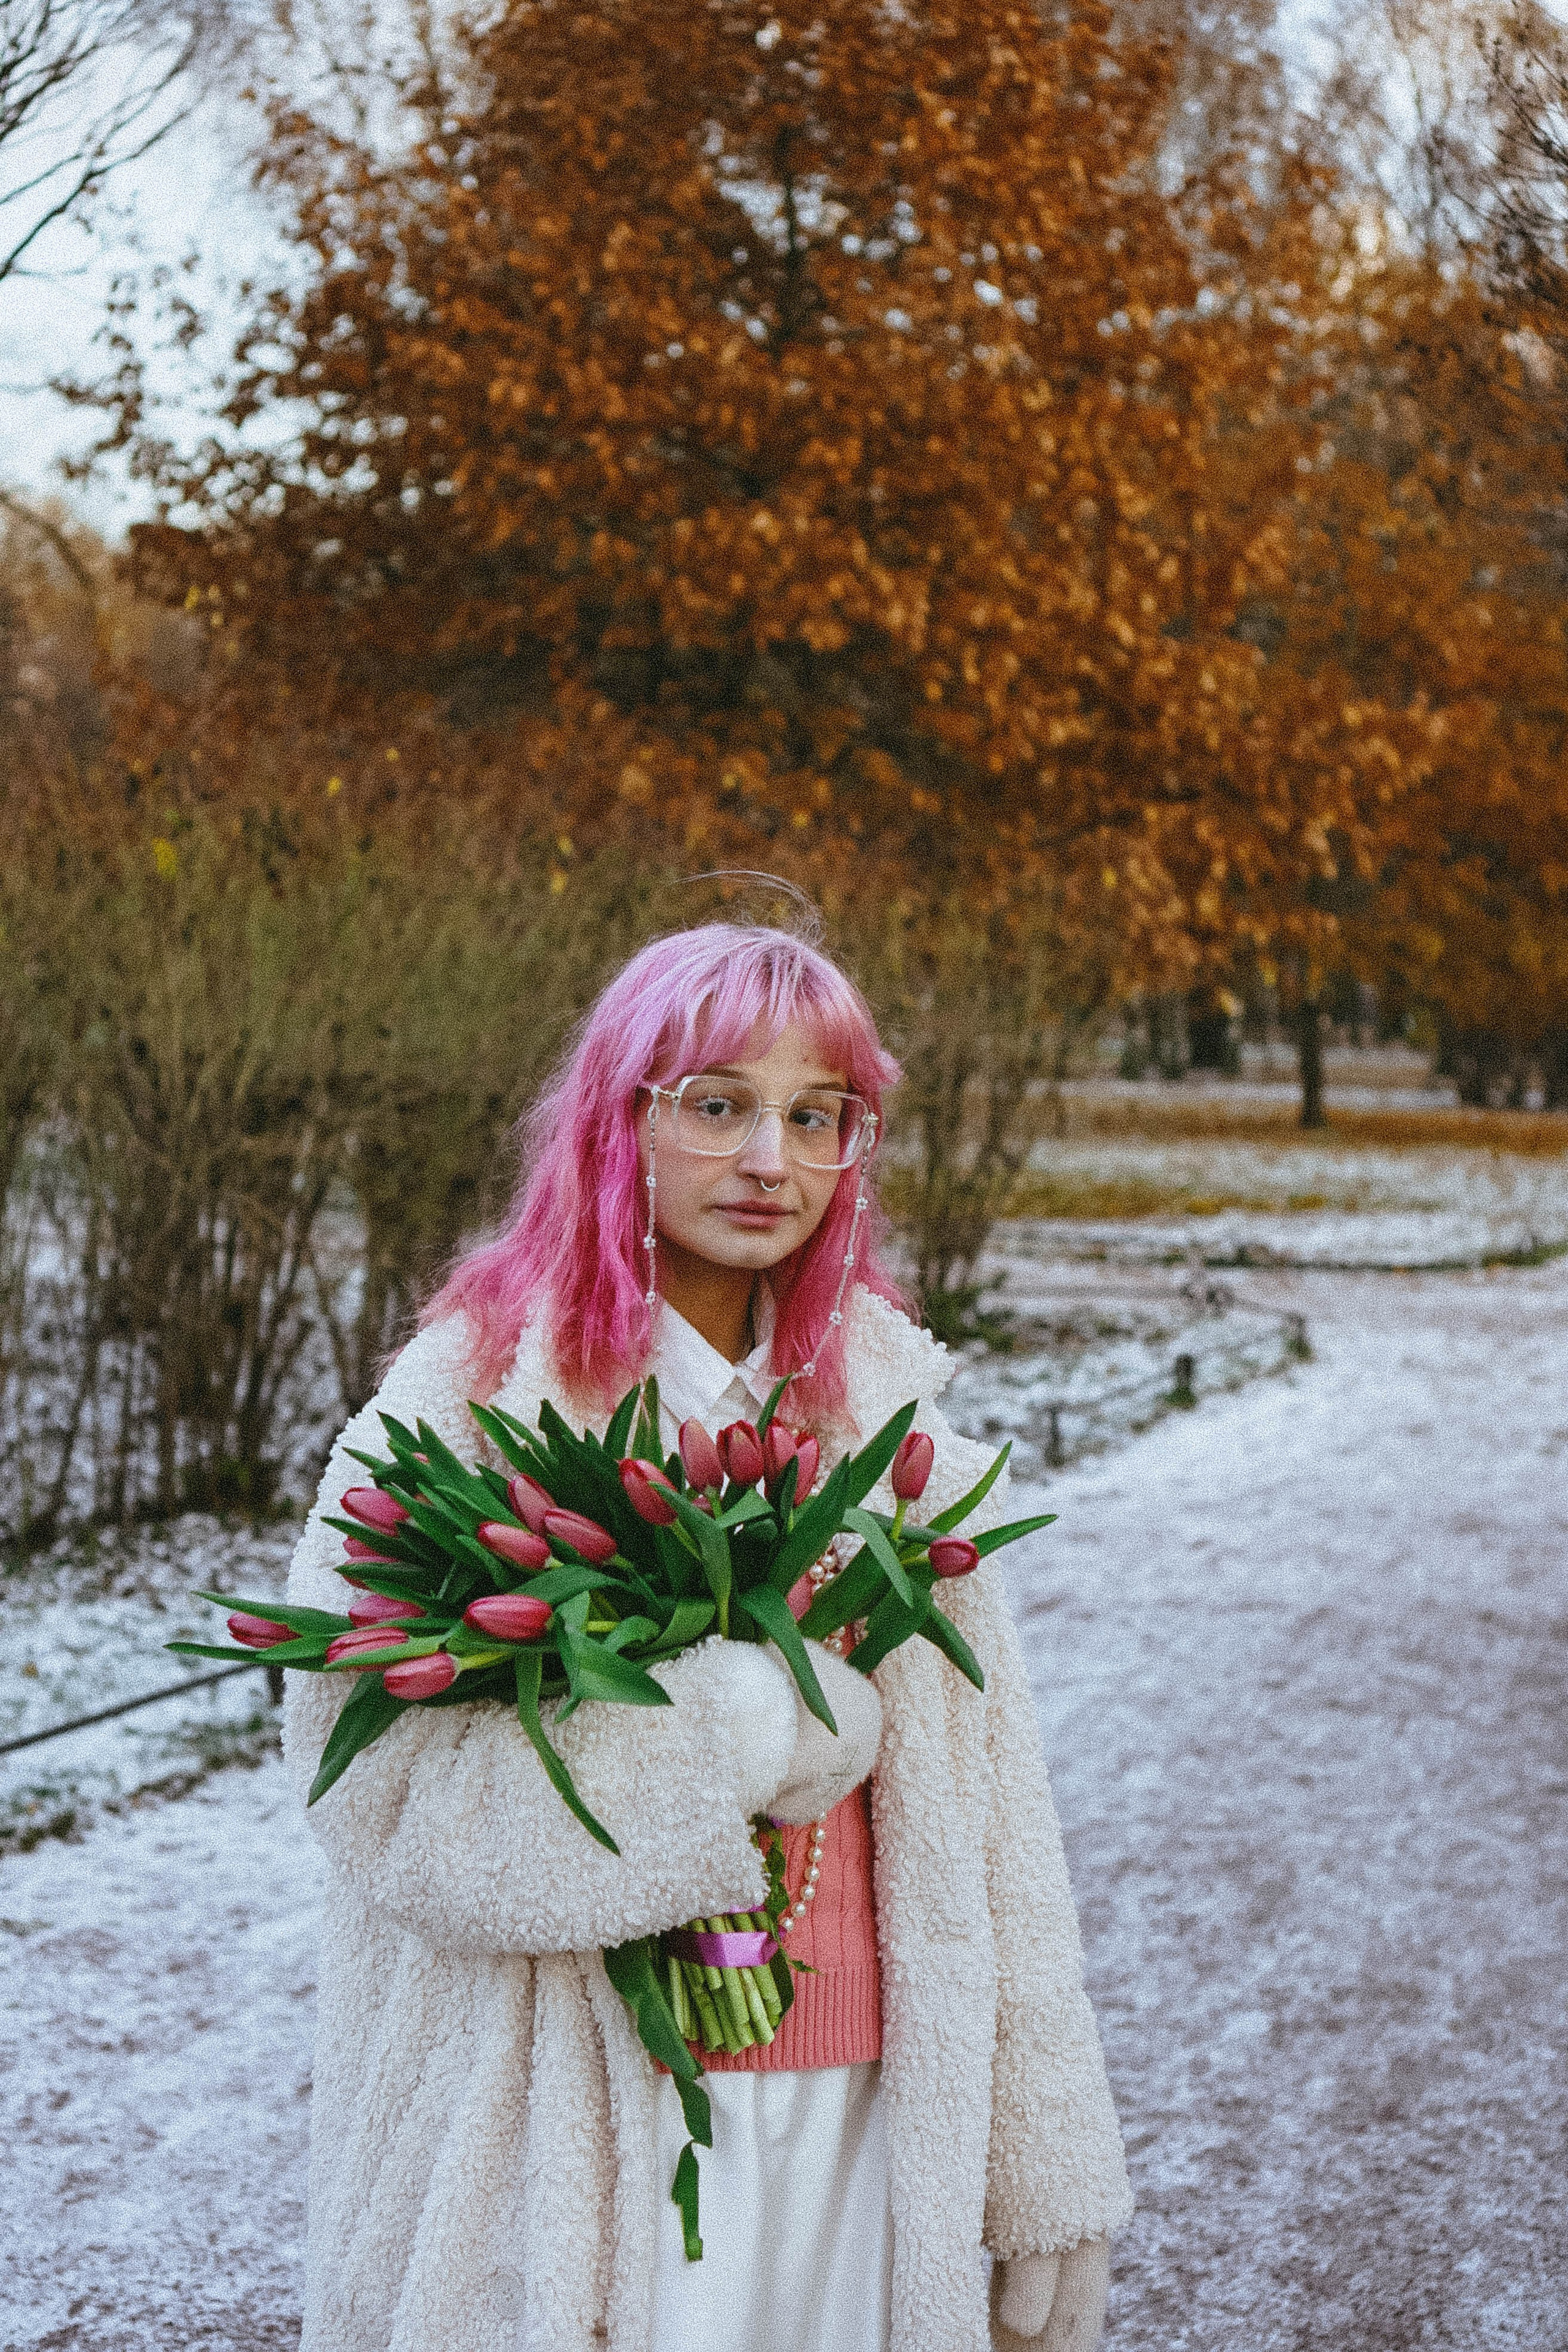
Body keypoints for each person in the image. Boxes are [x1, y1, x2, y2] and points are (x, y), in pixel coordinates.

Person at [282, 921, 1132, 2352]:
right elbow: (378, 1793)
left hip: (867, 2101)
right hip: (577, 2128)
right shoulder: (467, 1407)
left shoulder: (888, 1416)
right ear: (623, 1119)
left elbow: (997, 1831)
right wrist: (728, 1731)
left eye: (816, 1118)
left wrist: (1042, 2160)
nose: (769, 1161)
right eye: (719, 1104)